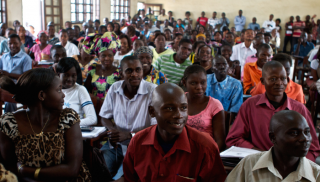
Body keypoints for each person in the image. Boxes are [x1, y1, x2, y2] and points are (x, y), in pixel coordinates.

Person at [0, 68, 91, 181]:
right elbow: (10, 167)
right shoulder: (9, 123)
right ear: (42, 95)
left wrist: (28, 171)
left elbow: (72, 170)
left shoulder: (67, 119)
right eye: (58, 90)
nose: (63, 95)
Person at [123, 82, 227, 182]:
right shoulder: (137, 142)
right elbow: (129, 179)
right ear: (152, 111)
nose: (179, 115)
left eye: (183, 108)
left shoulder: (205, 147)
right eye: (169, 108)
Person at [226, 61, 320, 162]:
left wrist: (298, 164)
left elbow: (313, 148)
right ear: (262, 81)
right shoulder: (250, 105)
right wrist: (262, 155)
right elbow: (234, 139)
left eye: (283, 78)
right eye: (273, 79)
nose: (279, 83)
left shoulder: (299, 109)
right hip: (258, 161)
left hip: (292, 166)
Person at [98, 55, 157, 180]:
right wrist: (112, 130)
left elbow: (156, 127)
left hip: (141, 147)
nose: (134, 74)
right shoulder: (114, 88)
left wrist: (130, 135)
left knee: (120, 179)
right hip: (116, 146)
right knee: (98, 173)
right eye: (129, 71)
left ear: (142, 71)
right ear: (121, 73)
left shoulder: (152, 91)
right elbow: (104, 117)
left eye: (138, 70)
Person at [225, 110, 320, 182]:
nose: (305, 139)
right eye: (294, 133)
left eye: (307, 132)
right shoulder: (249, 164)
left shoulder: (316, 174)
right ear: (273, 138)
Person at [182, 65, 225, 151]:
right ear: (184, 83)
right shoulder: (178, 101)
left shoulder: (215, 105)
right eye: (193, 83)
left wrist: (209, 157)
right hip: (181, 150)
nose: (199, 87)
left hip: (206, 151)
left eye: (203, 82)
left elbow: (220, 141)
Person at [56, 57, 97, 126]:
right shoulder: (53, 90)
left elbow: (92, 119)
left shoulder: (80, 90)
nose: (70, 79)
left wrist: (68, 124)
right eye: (66, 75)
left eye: (73, 75)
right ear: (58, 74)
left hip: (75, 132)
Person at [206, 55, 242, 125]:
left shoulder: (236, 84)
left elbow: (234, 111)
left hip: (226, 121)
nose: (222, 67)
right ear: (212, 68)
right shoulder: (205, 80)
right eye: (218, 65)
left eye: (224, 64)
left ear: (228, 66)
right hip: (205, 118)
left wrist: (224, 127)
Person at [83, 32, 120, 100]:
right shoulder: (93, 69)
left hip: (112, 108)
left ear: (113, 56)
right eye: (103, 56)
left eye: (110, 55)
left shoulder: (118, 72)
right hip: (95, 107)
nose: (107, 58)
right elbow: (86, 90)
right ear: (98, 56)